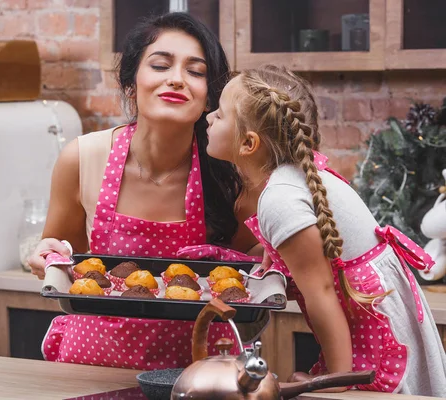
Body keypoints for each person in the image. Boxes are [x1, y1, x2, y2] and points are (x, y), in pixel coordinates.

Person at [28, 12, 259, 370]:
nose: (177, 80)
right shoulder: (83, 159)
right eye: (160, 65)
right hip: (89, 369)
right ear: (131, 82)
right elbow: (65, 258)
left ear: (210, 97)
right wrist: (47, 253)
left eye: (195, 72)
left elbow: (249, 267)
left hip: (199, 374)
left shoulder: (231, 174)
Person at [205, 64, 446, 396]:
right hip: (373, 313)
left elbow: (321, 296)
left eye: (218, 115)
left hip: (376, 326)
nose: (208, 119)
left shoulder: (279, 198)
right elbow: (302, 249)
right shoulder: (292, 180)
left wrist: (336, 381)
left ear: (248, 143)